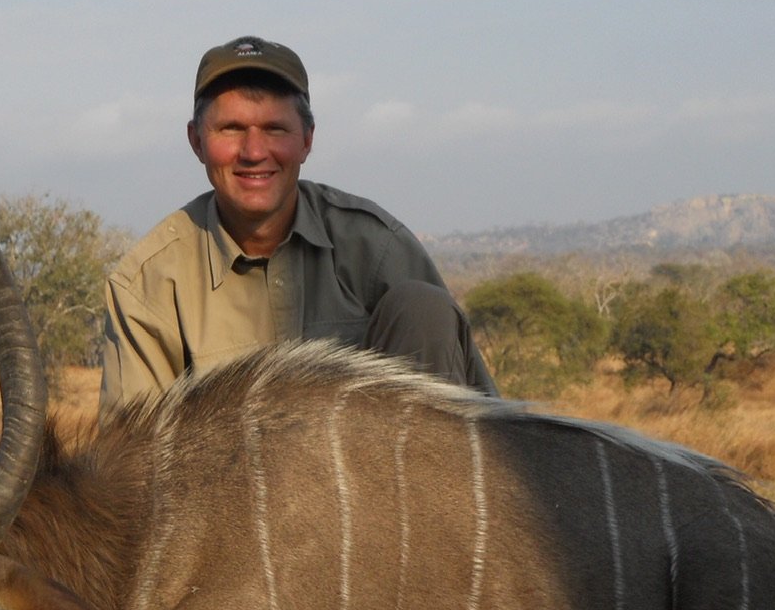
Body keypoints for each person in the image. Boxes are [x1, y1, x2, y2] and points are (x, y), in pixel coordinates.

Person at [99, 35, 498, 414]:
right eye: (231, 129)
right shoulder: (147, 285)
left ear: (307, 139)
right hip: (229, 484)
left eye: (275, 129)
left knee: (423, 309)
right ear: (196, 141)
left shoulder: (378, 250)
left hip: (380, 481)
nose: (254, 152)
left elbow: (485, 417)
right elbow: (131, 469)